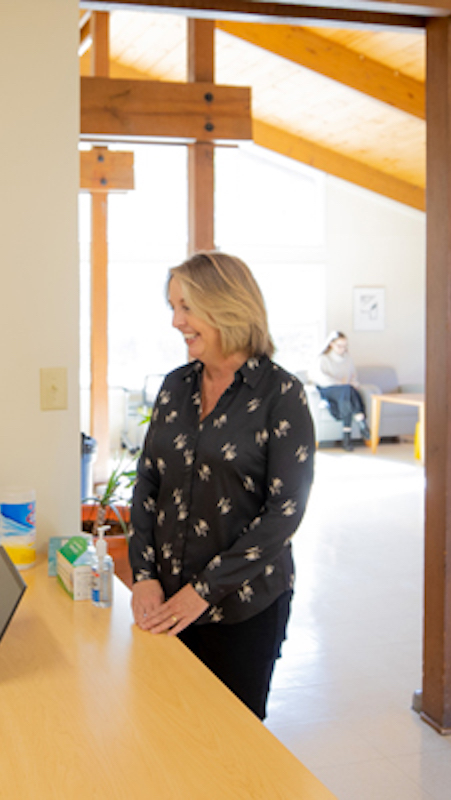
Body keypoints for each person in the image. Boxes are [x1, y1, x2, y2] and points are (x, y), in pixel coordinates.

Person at [127, 251, 316, 720]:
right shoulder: (175, 387)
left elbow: (284, 513)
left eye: (186, 308)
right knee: (165, 731)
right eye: (172, 307)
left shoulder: (281, 395)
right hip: (166, 606)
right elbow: (148, 480)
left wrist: (203, 592)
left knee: (231, 748)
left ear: (226, 306)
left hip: (244, 610)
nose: (176, 321)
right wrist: (144, 575)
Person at [311, 331, 369, 450]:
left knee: (347, 392)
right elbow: (321, 378)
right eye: (339, 346)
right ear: (331, 344)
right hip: (328, 390)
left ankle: (347, 435)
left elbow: (353, 376)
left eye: (345, 346)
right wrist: (341, 383)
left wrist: (352, 383)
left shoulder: (348, 359)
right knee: (347, 391)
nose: (342, 349)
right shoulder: (323, 359)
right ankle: (360, 419)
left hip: (345, 391)